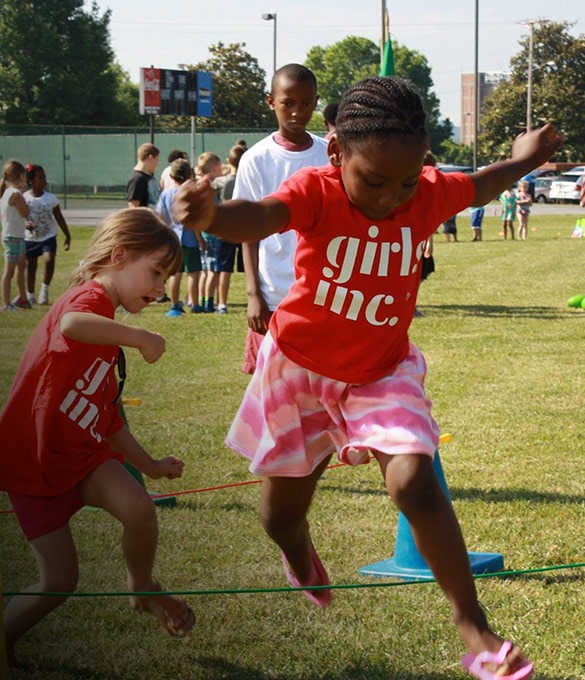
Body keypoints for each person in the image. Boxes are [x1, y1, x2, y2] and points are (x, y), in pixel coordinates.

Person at [175, 75, 563, 680]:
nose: (391, 197)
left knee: (414, 480)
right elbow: (260, 216)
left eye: (407, 182)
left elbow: (484, 184)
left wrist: (526, 158)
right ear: (336, 154)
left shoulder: (426, 195)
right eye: (375, 181)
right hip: (298, 370)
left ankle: (474, 628)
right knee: (278, 516)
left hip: (381, 372)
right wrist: (214, 216)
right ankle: (299, 554)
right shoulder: (316, 189)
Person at [0, 208, 195, 668]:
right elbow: (71, 325)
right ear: (119, 256)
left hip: (83, 455)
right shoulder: (87, 299)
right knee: (59, 580)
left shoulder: (107, 329)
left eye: (166, 279)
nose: (161, 289)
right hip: (35, 462)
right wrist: (140, 335)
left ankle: (141, 588)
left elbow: (109, 419)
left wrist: (149, 466)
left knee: (138, 507)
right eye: (155, 272)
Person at [234, 63, 329, 373]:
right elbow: (248, 231)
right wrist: (253, 294)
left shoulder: (331, 154)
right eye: (288, 103)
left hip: (322, 297)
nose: (297, 112)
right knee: (269, 393)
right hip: (273, 297)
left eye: (306, 103)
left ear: (316, 103)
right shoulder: (255, 159)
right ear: (270, 101)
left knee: (319, 387)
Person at [156, 158, 206, 316]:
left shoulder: (166, 194)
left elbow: (161, 217)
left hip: (173, 239)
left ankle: (174, 304)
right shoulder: (190, 194)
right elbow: (194, 220)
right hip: (191, 238)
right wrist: (200, 240)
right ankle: (195, 304)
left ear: (171, 176)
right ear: (190, 175)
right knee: (193, 272)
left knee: (175, 273)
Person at [23, 164, 72, 306]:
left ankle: (44, 290)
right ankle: (30, 294)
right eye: (40, 178)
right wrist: (26, 224)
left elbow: (59, 217)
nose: (44, 180)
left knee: (49, 259)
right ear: (31, 181)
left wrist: (67, 235)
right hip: (31, 239)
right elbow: (21, 216)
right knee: (31, 266)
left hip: (48, 237)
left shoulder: (51, 198)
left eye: (44, 177)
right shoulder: (25, 198)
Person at [216, 143, 247, 314]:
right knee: (250, 268)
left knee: (224, 270)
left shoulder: (224, 182)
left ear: (229, 161)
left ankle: (222, 303)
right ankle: (252, 297)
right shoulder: (246, 178)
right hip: (244, 229)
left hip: (226, 230)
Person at [195, 152, 224, 313]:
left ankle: (202, 300)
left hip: (204, 234)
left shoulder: (199, 184)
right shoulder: (209, 188)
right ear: (214, 167)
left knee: (206, 271)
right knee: (213, 271)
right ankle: (209, 303)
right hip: (211, 234)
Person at [1, 159, 31, 311]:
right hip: (13, 237)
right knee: (10, 271)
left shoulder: (7, 192)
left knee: (21, 266)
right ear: (20, 176)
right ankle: (6, 304)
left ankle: (22, 298)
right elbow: (25, 212)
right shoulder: (15, 194)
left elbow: (12, 216)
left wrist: (25, 224)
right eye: (24, 176)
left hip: (16, 235)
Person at [127, 143, 161, 210]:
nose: (158, 163)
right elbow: (133, 207)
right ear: (150, 157)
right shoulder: (137, 179)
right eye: (157, 159)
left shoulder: (149, 177)